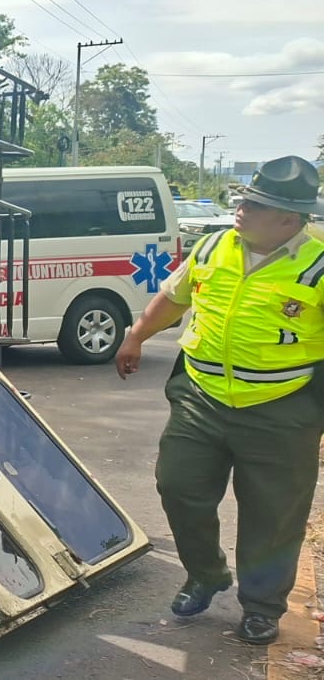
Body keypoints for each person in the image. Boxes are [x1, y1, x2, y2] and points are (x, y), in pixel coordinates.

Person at [115, 154, 324, 645]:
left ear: (288, 220)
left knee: (274, 514)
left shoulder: (317, 266)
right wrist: (136, 335)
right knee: (178, 485)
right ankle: (205, 574)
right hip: (201, 397)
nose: (241, 209)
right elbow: (174, 297)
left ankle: (262, 607)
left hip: (282, 406)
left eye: (254, 204)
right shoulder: (213, 246)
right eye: (244, 199)